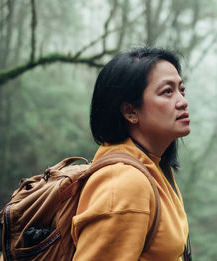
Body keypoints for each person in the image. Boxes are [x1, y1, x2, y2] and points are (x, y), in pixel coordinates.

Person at [71, 47, 191, 260]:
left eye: (181, 90)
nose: (182, 101)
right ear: (130, 112)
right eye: (167, 91)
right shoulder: (125, 183)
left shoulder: (154, 168)